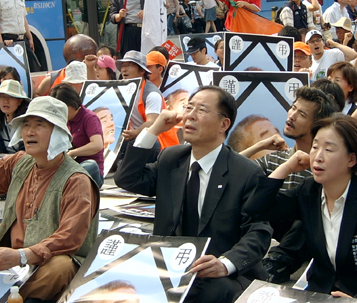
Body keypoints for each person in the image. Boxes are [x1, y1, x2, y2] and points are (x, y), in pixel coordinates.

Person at [114, 86, 272, 303]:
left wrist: (225, 264)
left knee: (207, 290)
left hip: (218, 273)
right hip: (171, 265)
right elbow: (127, 178)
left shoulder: (246, 172)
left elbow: (258, 232)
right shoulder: (171, 159)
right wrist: (152, 130)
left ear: (224, 124)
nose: (190, 115)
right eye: (189, 107)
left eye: (202, 110)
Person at [0, 97, 99, 301]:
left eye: (39, 125)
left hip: (46, 267)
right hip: (13, 263)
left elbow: (69, 237)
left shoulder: (76, 180)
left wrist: (22, 256)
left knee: (60, 266)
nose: (30, 131)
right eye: (26, 125)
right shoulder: (21, 162)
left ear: (58, 132)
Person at [245, 114, 357, 303]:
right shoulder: (309, 191)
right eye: (315, 146)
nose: (317, 157)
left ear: (352, 159)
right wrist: (286, 167)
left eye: (328, 149)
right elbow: (256, 208)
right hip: (321, 293)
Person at [244, 87, 338, 283]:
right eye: (293, 108)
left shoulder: (327, 167)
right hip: (274, 229)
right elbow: (230, 171)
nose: (292, 116)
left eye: (301, 114)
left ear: (317, 124)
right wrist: (260, 146)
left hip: (310, 238)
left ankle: (277, 262)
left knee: (312, 208)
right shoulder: (275, 159)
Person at [116, 51, 179, 151]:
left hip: (158, 141)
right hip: (133, 136)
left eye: (129, 65)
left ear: (142, 71)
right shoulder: (122, 89)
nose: (124, 69)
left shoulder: (151, 94)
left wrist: (136, 133)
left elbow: (152, 122)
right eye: (123, 66)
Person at [50, 84, 105, 187]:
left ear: (71, 105)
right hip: (68, 167)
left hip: (88, 169)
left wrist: (72, 153)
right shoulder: (62, 120)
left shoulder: (89, 118)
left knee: (89, 165)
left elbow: (97, 145)